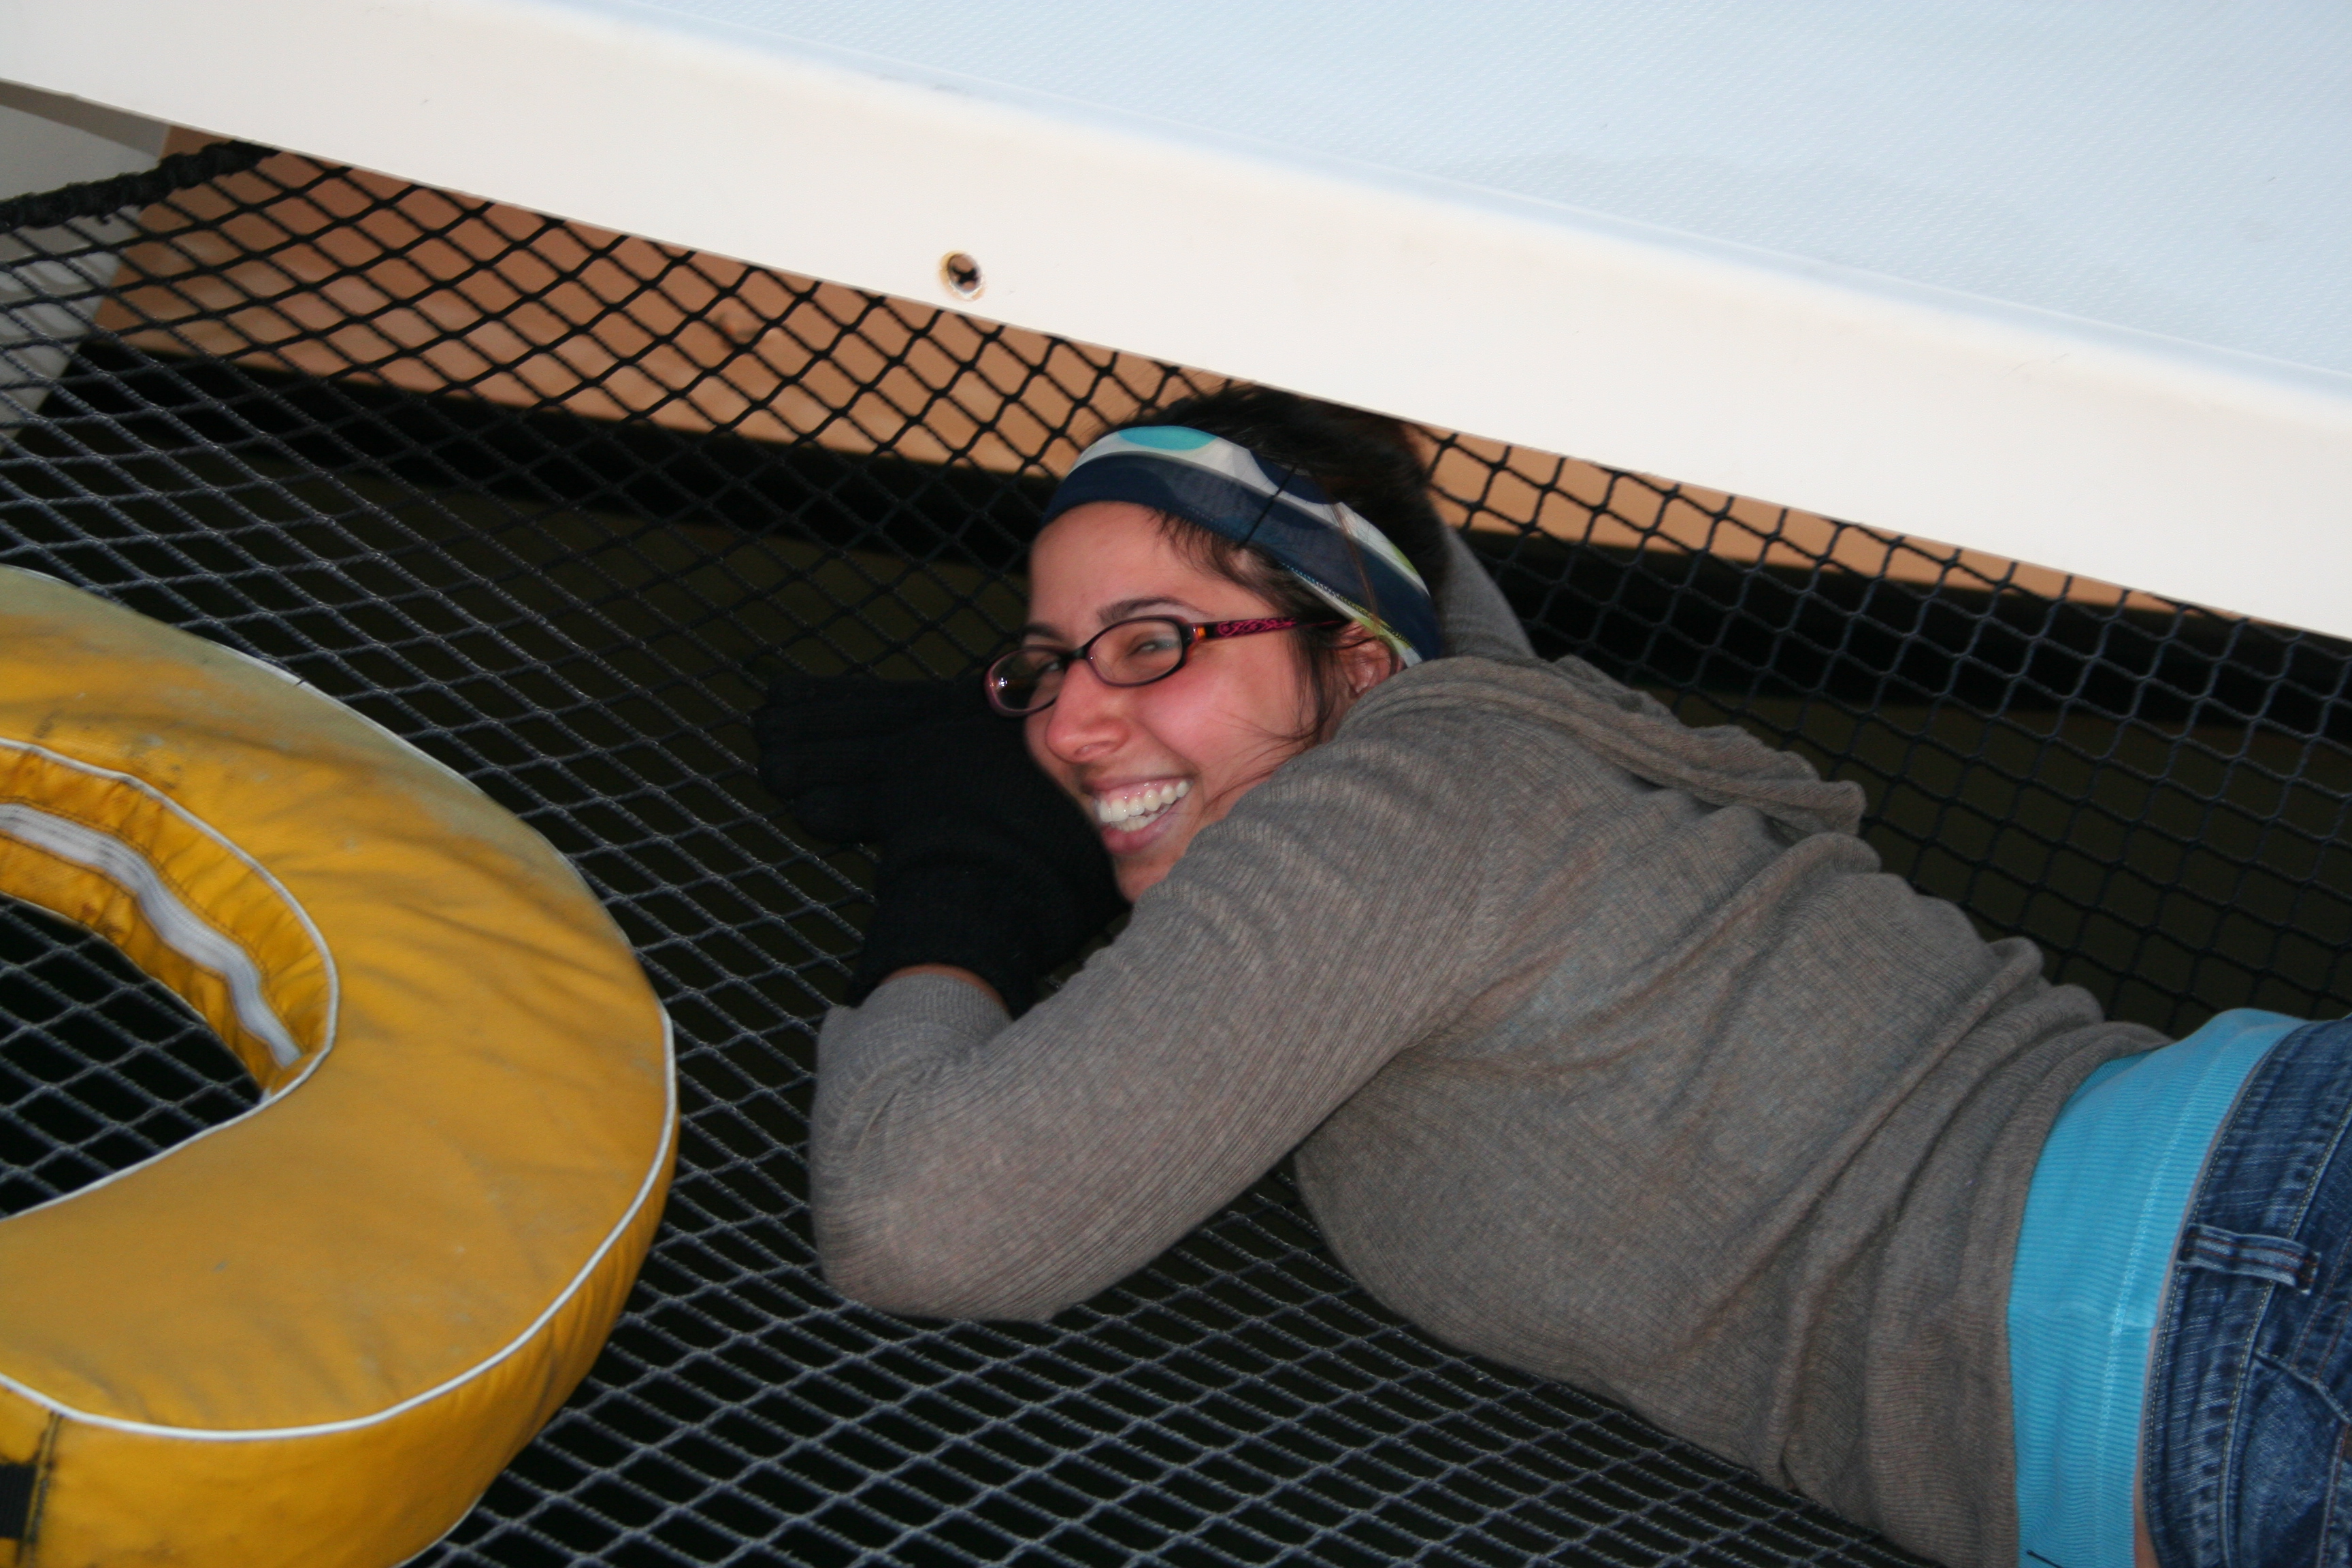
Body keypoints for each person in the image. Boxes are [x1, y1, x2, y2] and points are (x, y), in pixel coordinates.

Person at [755, 387, 2351, 1568]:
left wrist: (964, 872)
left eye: (1152, 640)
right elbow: (1414, 571)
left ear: (1359, 663)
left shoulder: (1411, 795)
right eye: (1042, 668)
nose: (1062, 724)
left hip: (2235, 1304)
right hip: (2231, 1307)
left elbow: (924, 1220)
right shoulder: (1487, 751)